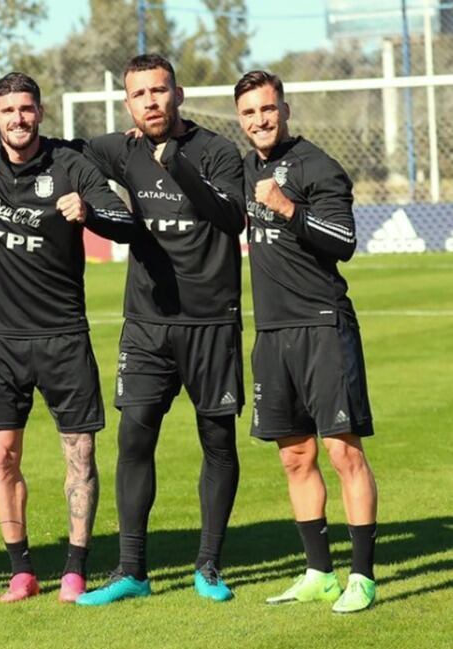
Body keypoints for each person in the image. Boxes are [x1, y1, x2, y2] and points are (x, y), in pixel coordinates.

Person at [28, 53, 246, 605]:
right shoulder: (120, 148)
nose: (150, 101)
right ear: (127, 102)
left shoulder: (217, 152)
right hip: (146, 325)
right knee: (134, 438)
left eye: (159, 90)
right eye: (139, 94)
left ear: (178, 93)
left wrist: (177, 164)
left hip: (210, 323)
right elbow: (50, 146)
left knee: (216, 439)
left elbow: (230, 218)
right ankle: (133, 571)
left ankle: (210, 564)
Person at [0, 72, 134, 603]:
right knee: (2, 458)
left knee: (79, 456)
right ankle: (21, 570)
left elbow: (123, 220)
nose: (18, 118)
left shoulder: (69, 165)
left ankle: (76, 568)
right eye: (7, 110)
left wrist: (89, 211)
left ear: (40, 112)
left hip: (64, 338)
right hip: (0, 342)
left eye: (27, 109)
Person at [234, 70, 378, 614]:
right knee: (295, 457)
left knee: (344, 453)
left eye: (267, 109)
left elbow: (345, 242)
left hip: (323, 326)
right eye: (249, 113)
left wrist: (289, 209)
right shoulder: (246, 165)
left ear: (285, 109)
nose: (259, 121)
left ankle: (361, 576)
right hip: (272, 333)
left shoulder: (319, 166)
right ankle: (319, 571)